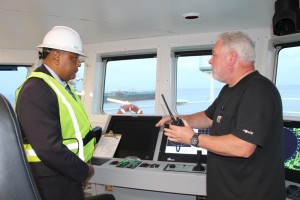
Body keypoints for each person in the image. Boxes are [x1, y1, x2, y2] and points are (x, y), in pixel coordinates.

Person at [156, 31, 285, 199]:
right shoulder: (229, 89)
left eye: (214, 55)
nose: (210, 60)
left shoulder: (258, 90)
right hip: (226, 191)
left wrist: (193, 139)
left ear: (231, 58)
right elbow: (208, 117)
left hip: (251, 194)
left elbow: (243, 147)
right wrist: (182, 119)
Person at [15, 26, 114, 200]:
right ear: (56, 56)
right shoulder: (36, 89)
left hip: (65, 176)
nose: (79, 64)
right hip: (51, 183)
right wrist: (84, 170)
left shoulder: (60, 87)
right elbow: (49, 148)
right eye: (74, 57)